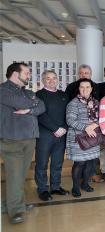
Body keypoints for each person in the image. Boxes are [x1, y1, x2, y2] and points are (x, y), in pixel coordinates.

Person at [0, 62, 45, 224]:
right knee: (14, 176)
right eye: (26, 73)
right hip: (12, 141)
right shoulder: (3, 90)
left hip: (29, 139)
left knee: (20, 176)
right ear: (15, 74)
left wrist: (30, 109)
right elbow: (23, 103)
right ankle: (16, 211)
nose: (28, 76)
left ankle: (11, 204)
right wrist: (31, 105)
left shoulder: (26, 91)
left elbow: (42, 106)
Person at [35, 70, 69, 201]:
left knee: (57, 163)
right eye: (48, 78)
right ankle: (42, 189)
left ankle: (55, 187)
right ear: (43, 80)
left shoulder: (64, 95)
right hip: (44, 135)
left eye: (54, 78)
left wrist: (64, 128)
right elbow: (40, 114)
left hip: (61, 135)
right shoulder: (38, 95)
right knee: (42, 163)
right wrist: (55, 128)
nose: (51, 80)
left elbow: (69, 113)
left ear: (57, 79)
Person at [66, 78, 101, 197]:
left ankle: (85, 183)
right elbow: (70, 120)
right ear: (79, 89)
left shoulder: (96, 102)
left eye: (87, 87)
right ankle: (75, 187)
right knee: (80, 163)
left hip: (92, 138)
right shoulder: (73, 103)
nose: (85, 89)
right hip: (78, 138)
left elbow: (101, 118)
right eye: (82, 87)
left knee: (91, 163)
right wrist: (86, 128)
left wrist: (94, 126)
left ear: (91, 89)